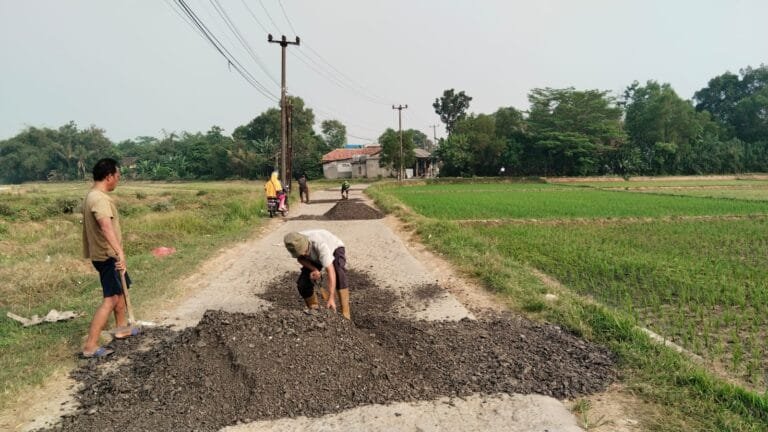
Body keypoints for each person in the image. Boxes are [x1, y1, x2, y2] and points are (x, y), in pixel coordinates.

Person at [81, 158, 138, 358]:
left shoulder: (93, 195)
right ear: (109, 176)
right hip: (107, 255)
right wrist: (119, 252)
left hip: (106, 254)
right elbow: (105, 226)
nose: (118, 180)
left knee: (121, 291)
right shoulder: (99, 199)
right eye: (118, 176)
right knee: (111, 298)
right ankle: (90, 345)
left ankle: (121, 329)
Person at [284, 230, 351, 320]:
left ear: (307, 243)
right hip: (314, 256)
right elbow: (300, 259)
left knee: (339, 274)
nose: (303, 254)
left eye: (304, 251)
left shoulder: (320, 245)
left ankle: (345, 314)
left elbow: (330, 271)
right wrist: (314, 269)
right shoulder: (294, 243)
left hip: (334, 248)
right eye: (300, 253)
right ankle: (315, 312)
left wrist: (331, 297)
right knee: (303, 284)